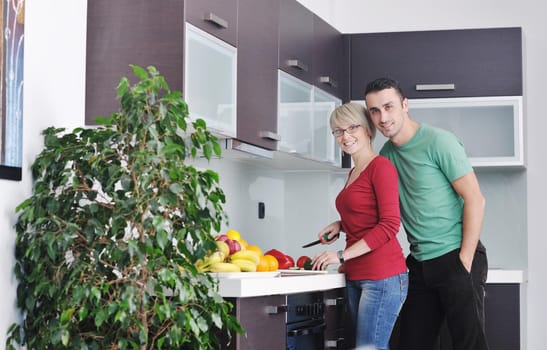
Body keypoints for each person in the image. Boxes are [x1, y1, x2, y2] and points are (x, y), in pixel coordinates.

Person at [363, 77, 489, 350]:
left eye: (389, 107)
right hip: (419, 264)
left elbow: (475, 199)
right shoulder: (385, 157)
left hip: (455, 256)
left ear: (405, 105)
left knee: (469, 345)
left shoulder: (439, 142)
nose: (383, 117)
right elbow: (378, 212)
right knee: (411, 344)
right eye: (374, 111)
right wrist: (340, 224)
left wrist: (463, 263)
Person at [311, 102, 408, 350]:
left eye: (352, 127)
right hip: (357, 274)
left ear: (367, 130)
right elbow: (367, 216)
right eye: (338, 131)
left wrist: (341, 255)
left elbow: (389, 225)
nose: (345, 136)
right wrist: (340, 225)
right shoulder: (354, 171)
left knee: (370, 347)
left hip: (382, 276)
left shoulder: (381, 167)